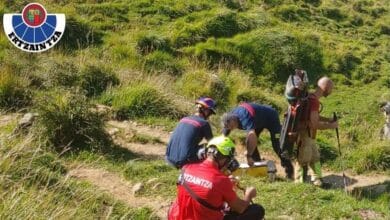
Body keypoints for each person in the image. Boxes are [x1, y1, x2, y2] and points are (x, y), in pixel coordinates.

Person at [168, 136, 265, 220]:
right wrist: (249, 195)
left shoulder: (186, 168)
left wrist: (225, 184)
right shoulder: (221, 181)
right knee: (257, 210)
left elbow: (203, 189)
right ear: (224, 159)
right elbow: (240, 208)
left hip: (177, 216)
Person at [222, 103, 294, 179]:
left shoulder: (244, 117)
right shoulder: (229, 119)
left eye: (232, 126)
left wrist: (248, 156)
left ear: (234, 120)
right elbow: (223, 136)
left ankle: (289, 170)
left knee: (277, 145)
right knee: (252, 145)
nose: (231, 128)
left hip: (271, 118)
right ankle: (258, 166)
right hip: (257, 121)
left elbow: (251, 136)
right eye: (229, 127)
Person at [295, 76, 338, 186]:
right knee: (303, 160)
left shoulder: (310, 97)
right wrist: (331, 126)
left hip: (309, 135)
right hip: (305, 134)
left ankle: (318, 182)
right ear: (326, 88)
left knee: (315, 158)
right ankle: (300, 185)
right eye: (331, 89)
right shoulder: (314, 102)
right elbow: (314, 124)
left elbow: (314, 117)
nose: (331, 91)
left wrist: (328, 120)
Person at [166, 97, 216, 168]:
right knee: (211, 147)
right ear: (206, 110)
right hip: (183, 162)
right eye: (210, 113)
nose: (209, 115)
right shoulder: (204, 123)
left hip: (168, 159)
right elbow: (212, 142)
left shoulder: (184, 119)